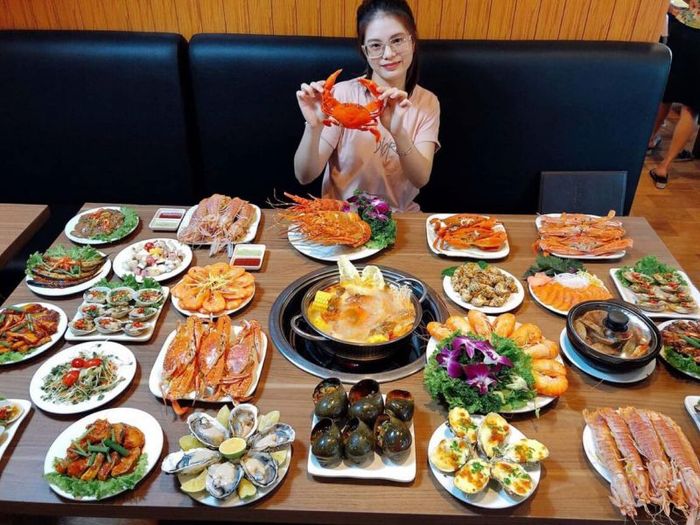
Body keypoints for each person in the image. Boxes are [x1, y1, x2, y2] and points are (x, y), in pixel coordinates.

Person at [293, 0, 440, 211]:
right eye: (376, 45)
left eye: (397, 40)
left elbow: (421, 179)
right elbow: (304, 176)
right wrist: (314, 126)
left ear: (412, 41)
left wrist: (398, 133)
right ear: (365, 51)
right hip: (342, 216)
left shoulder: (427, 102)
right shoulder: (341, 95)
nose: (388, 54)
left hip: (399, 217)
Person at [648, 0, 700, 189]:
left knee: (666, 93)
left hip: (685, 30)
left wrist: (673, 9)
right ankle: (664, 167)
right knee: (692, 107)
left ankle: (649, 139)